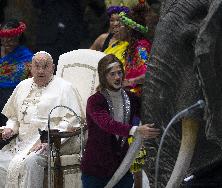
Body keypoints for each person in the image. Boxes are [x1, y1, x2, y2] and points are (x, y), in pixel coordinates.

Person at [0, 51, 82, 187]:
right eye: (37, 66)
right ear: (30, 68)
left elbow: (70, 121)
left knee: (31, 162)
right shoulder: (22, 86)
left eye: (45, 66)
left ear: (53, 68)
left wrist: (48, 140)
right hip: (20, 143)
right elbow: (14, 116)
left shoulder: (65, 88)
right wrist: (10, 128)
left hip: (48, 144)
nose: (40, 70)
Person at [80, 54, 159, 188]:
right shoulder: (95, 101)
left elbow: (149, 115)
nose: (117, 77)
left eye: (119, 72)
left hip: (122, 167)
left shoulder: (132, 98)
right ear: (104, 76)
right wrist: (135, 130)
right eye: (112, 74)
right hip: (96, 170)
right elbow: (107, 124)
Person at [0, 19, 33, 130]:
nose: (7, 42)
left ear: (18, 36)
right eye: (4, 38)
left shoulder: (27, 57)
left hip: (13, 99)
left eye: (11, 38)